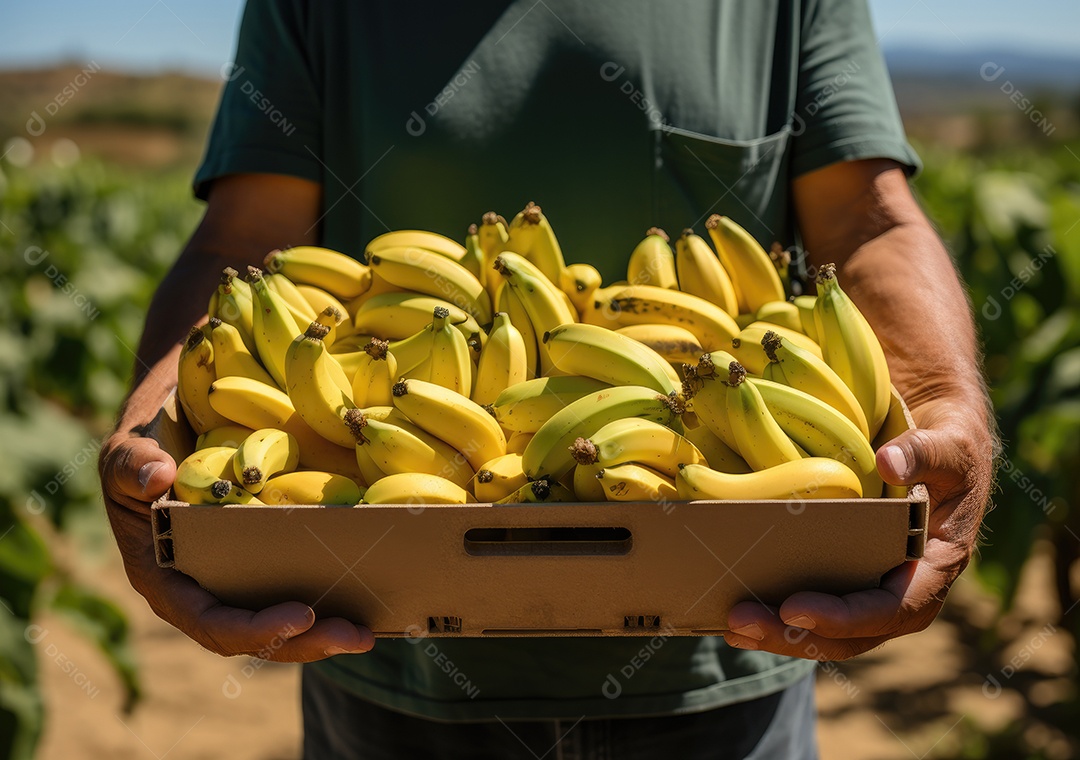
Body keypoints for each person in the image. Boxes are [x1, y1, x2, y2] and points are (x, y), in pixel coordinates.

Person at [98, 1, 996, 757]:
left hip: (733, 652)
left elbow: (868, 221)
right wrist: (157, 423)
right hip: (379, 652)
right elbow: (244, 246)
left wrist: (943, 398)